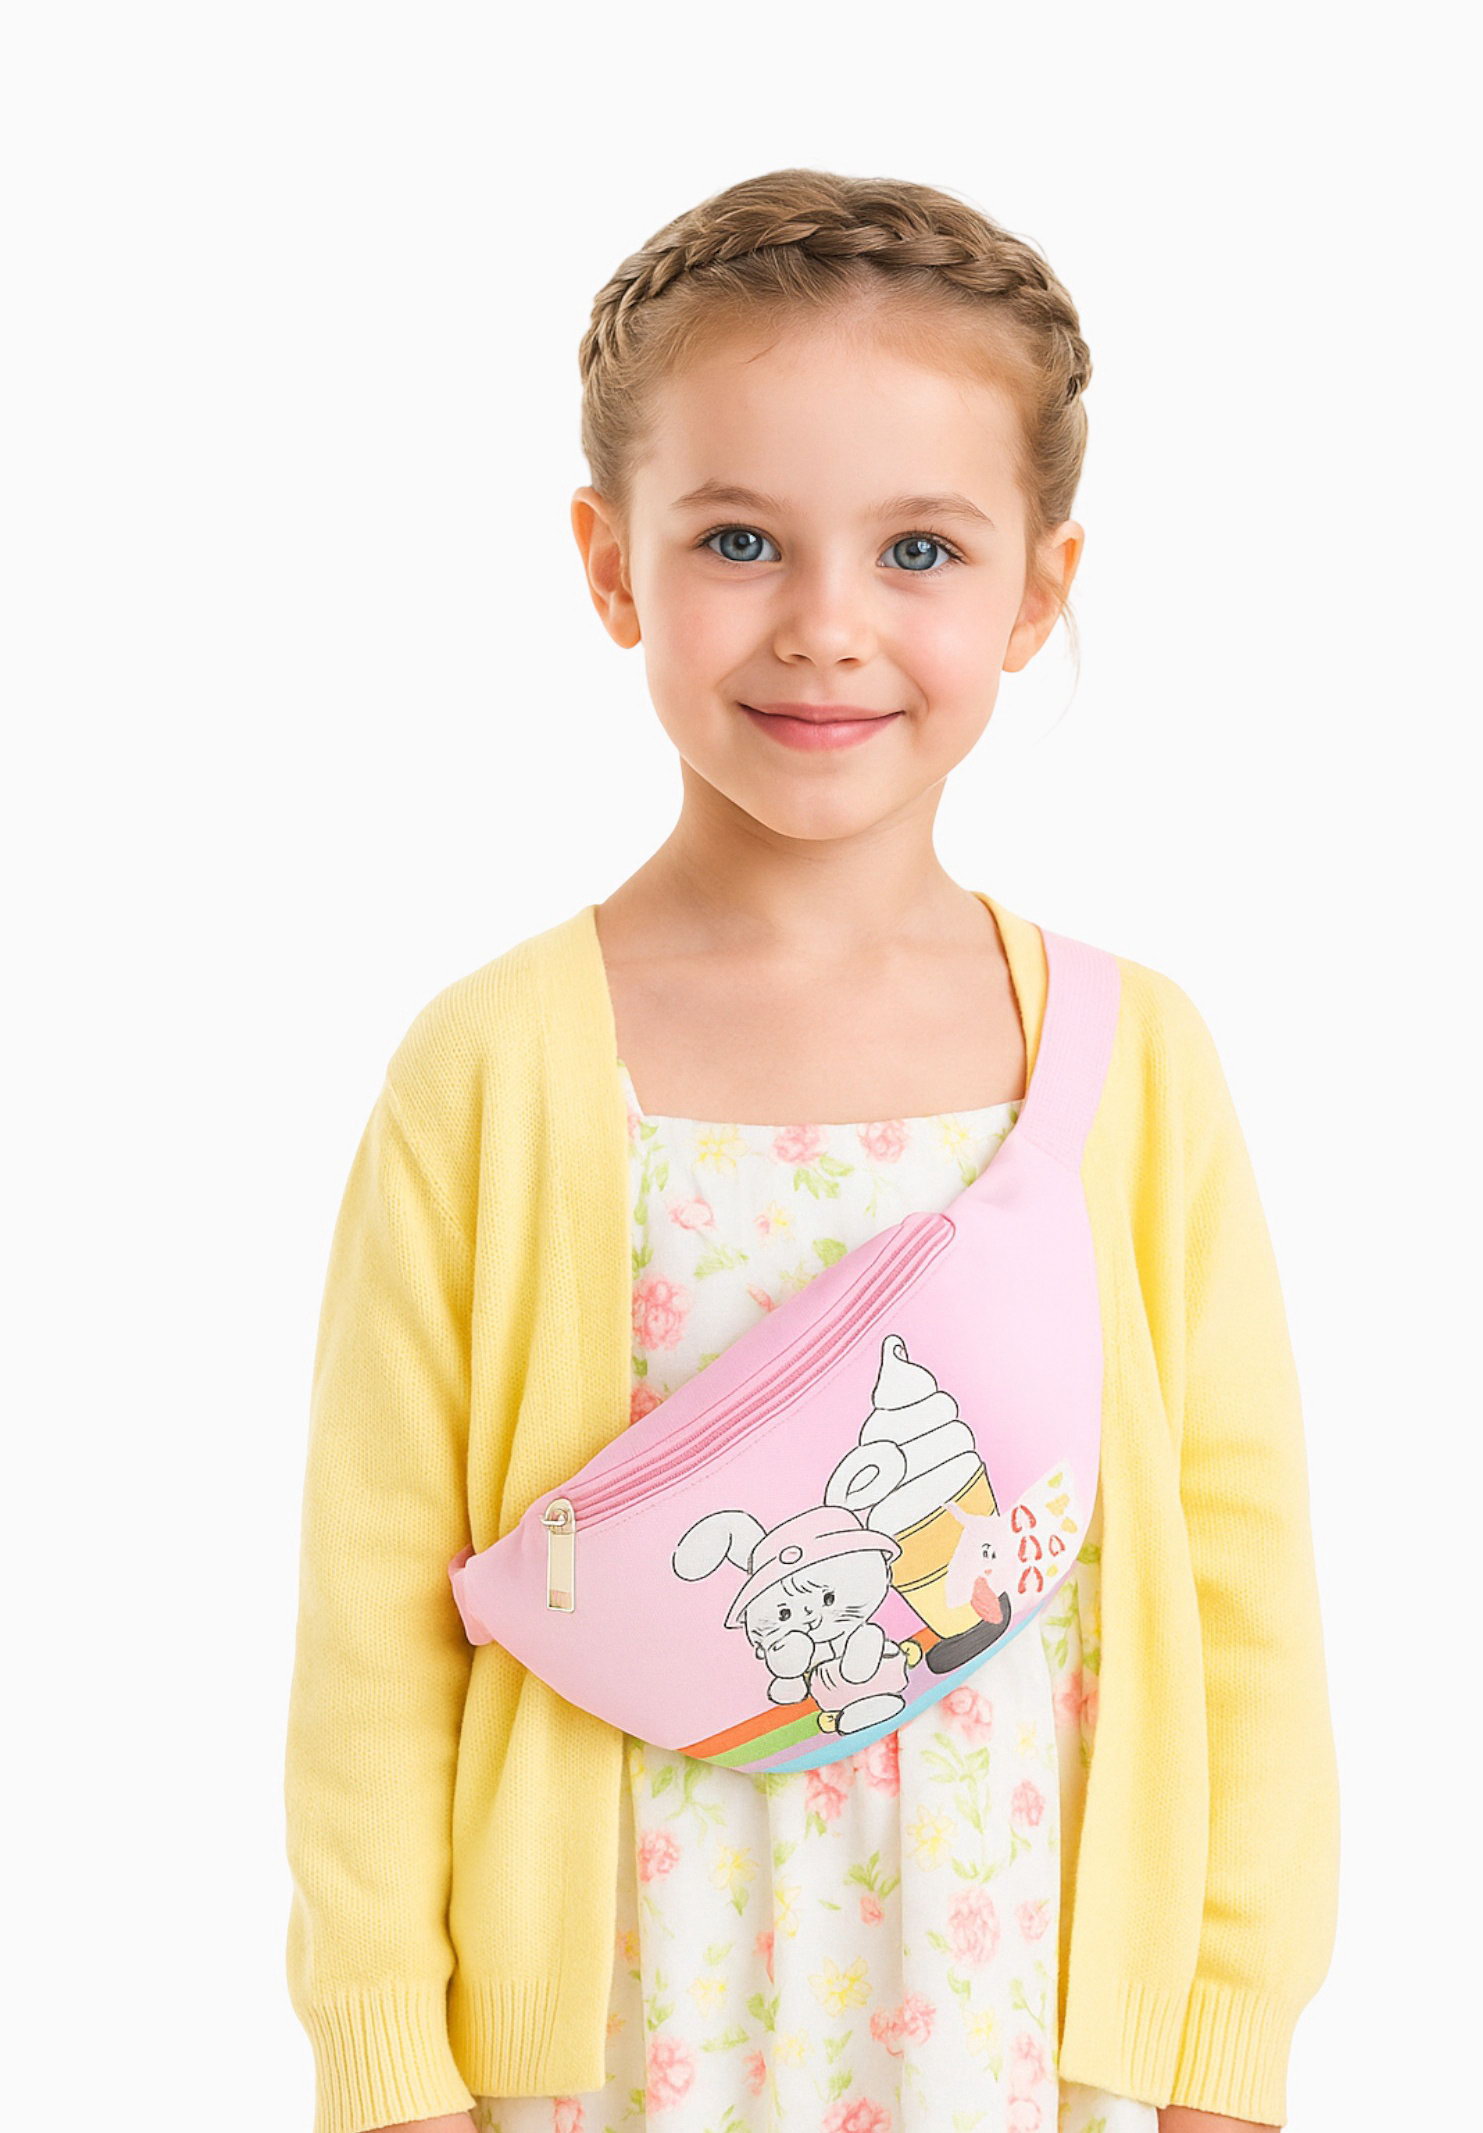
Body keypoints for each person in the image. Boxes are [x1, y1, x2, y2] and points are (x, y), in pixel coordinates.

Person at [283, 167, 1339, 2133]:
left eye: (920, 547)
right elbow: (374, 1611)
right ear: (611, 565)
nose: (827, 627)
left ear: (1038, 588)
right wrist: (389, 2056)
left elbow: (1239, 1580)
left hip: (1010, 2018)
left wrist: (1222, 2041)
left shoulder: (1132, 1063)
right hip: (608, 2025)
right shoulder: (493, 1067)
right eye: (740, 539)